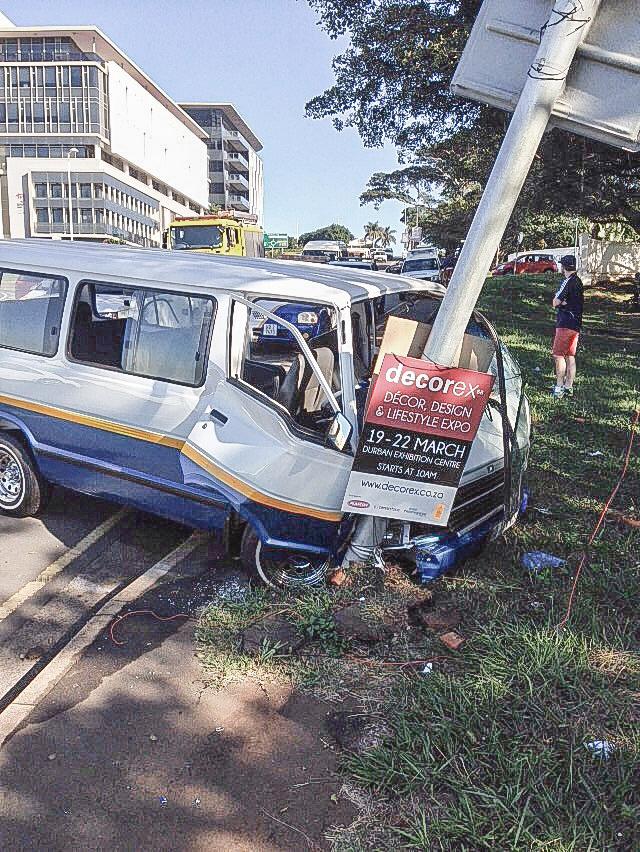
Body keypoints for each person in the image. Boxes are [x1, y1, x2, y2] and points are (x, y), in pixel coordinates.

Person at [551, 254, 583, 399]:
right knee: (570, 356)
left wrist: (560, 303)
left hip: (565, 323)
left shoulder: (568, 281)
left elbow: (555, 302)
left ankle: (558, 387)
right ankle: (569, 387)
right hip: (576, 324)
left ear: (564, 267)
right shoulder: (579, 282)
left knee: (558, 355)